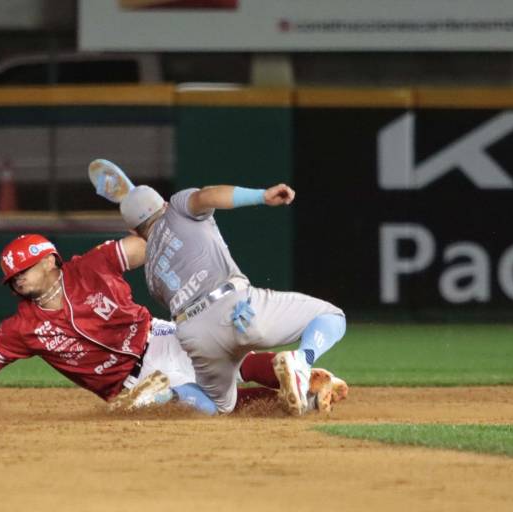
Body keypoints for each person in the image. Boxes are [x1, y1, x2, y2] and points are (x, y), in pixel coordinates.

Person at [0, 233, 347, 415]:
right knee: (208, 408)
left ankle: (299, 377)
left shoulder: (92, 266)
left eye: (24, 270)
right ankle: (305, 386)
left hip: (159, 336)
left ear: (51, 261)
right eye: (12, 277)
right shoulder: (22, 328)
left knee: (230, 358)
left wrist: (155, 223)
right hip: (126, 384)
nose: (17, 279)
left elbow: (148, 245)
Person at [91, 159, 348, 416]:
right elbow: (209, 195)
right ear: (164, 204)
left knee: (219, 405)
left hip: (195, 335)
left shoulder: (150, 273)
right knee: (331, 316)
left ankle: (166, 394)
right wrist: (261, 195)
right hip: (237, 310)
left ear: (134, 231)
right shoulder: (178, 208)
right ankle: (302, 362)